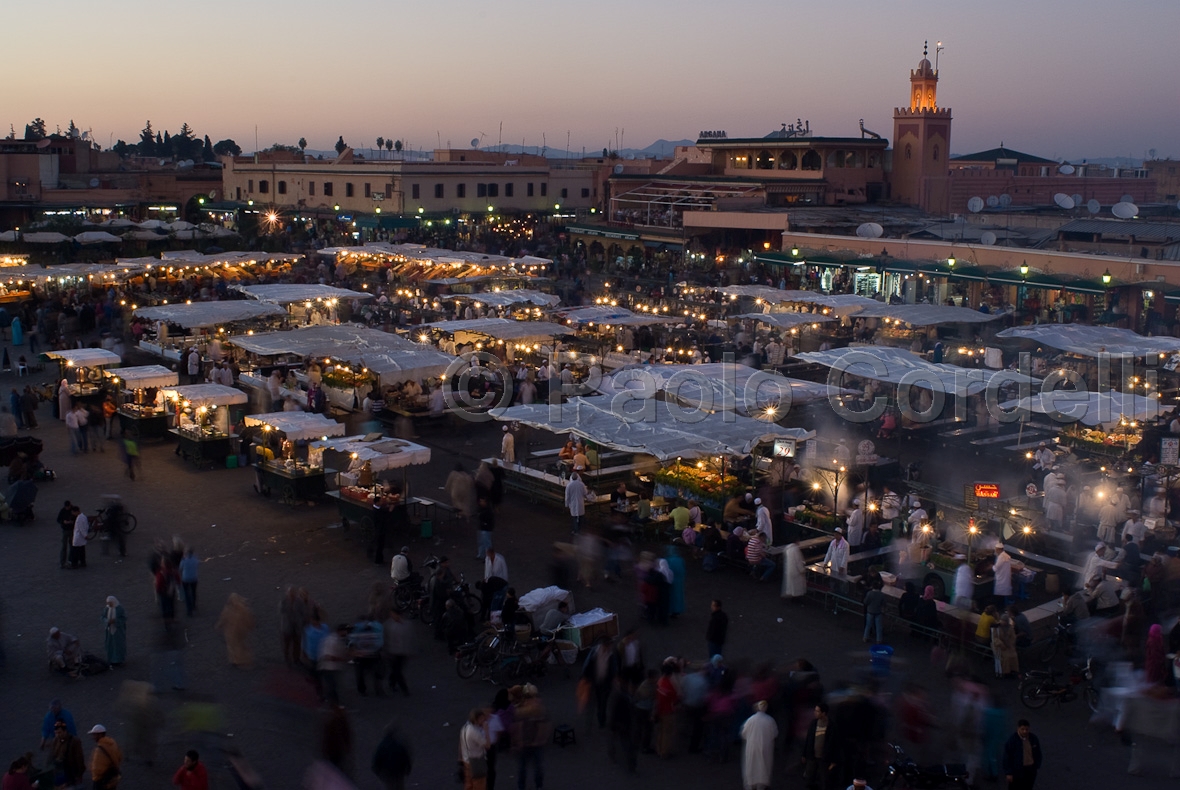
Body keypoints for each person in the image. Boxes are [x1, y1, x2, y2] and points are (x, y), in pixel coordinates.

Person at [513, 684, 550, 790]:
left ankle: (535, 786)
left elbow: (544, 726)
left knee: (532, 768)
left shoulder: (536, 710)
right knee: (525, 769)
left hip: (531, 745)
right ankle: (531, 786)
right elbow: (517, 726)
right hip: (527, 744)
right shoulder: (524, 710)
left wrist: (539, 739)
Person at [740, 699, 778, 790]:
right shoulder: (770, 720)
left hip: (752, 746)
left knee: (751, 764)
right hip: (766, 746)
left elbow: (744, 733)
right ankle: (761, 785)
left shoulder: (750, 720)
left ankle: (750, 784)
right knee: (764, 765)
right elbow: (774, 733)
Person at [215, 593, 256, 668]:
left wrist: (218, 626)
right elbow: (248, 619)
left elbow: (223, 619)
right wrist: (250, 626)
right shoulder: (243, 609)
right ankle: (243, 659)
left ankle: (235, 660)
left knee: (232, 646)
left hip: (230, 631)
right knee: (240, 644)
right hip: (241, 630)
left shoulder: (227, 609)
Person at [1002, 720, 1041, 790]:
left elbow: (1038, 753)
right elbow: (1007, 757)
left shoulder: (1033, 738)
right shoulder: (1012, 740)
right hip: (1017, 770)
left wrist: (1036, 765)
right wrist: (1009, 773)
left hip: (1030, 770)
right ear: (1018, 728)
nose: (1025, 731)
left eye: (1027, 729)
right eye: (1022, 729)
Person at [371, 723, 412, 790]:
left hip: (387, 771)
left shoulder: (382, 745)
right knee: (399, 785)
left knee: (390, 786)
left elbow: (377, 759)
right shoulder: (399, 744)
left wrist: (377, 770)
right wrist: (407, 769)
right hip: (399, 770)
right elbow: (405, 757)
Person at [49, 718, 86, 788]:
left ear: (65, 731)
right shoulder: (55, 741)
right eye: (56, 733)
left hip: (70, 773)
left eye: (59, 733)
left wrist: (79, 775)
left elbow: (80, 759)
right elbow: (51, 757)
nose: (57, 735)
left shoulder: (74, 741)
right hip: (58, 772)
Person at [460, 708, 489, 790]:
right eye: (482, 719)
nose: (484, 721)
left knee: (469, 785)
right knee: (479, 785)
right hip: (476, 762)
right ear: (477, 719)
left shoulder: (465, 727)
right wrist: (486, 730)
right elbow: (487, 745)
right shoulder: (475, 731)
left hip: (467, 760)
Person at [87, 725, 122, 790]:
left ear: (100, 735)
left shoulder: (99, 749)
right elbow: (119, 757)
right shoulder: (113, 744)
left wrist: (94, 776)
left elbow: (97, 770)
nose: (93, 737)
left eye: (94, 735)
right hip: (111, 780)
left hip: (101, 782)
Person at [102, 596, 127, 666]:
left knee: (118, 644)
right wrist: (107, 621)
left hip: (118, 630)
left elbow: (124, 618)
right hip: (109, 630)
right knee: (110, 644)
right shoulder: (106, 609)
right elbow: (102, 617)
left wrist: (115, 621)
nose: (109, 604)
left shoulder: (119, 609)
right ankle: (111, 659)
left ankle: (119, 659)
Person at [179, 548, 199, 616]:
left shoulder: (184, 560)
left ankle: (189, 610)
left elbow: (180, 568)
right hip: (194, 578)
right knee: (193, 592)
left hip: (186, 579)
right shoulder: (195, 559)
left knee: (187, 594)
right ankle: (193, 605)